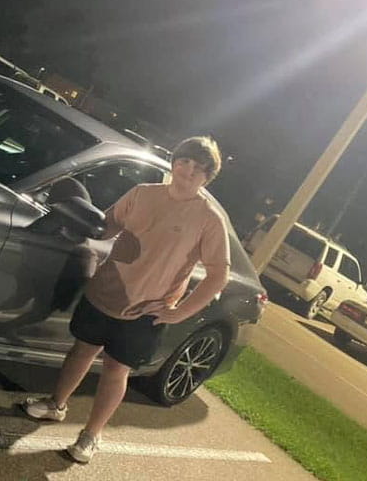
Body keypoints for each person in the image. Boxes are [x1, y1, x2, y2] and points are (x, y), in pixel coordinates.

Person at [19, 136, 230, 464]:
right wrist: (69, 215)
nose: (189, 170)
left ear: (207, 177)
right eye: (185, 161)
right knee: (81, 350)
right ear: (175, 162)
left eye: (199, 168)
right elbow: (105, 227)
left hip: (146, 309)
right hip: (105, 290)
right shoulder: (142, 193)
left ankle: (91, 435)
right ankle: (55, 405)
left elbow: (218, 275)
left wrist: (179, 312)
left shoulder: (209, 219)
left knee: (116, 370)